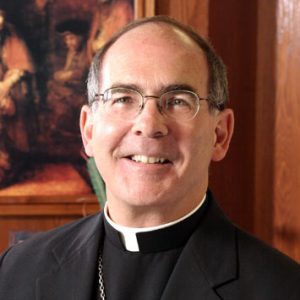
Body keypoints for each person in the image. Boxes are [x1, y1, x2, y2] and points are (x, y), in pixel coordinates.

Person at [0, 16, 300, 299]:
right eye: (123, 98)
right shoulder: (16, 271)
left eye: (178, 101)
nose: (149, 125)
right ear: (88, 130)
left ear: (220, 135)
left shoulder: (282, 288)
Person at [0, 8, 36, 186]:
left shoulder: (11, 36)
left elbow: (20, 68)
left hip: (9, 87)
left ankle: (6, 160)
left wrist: (5, 87)